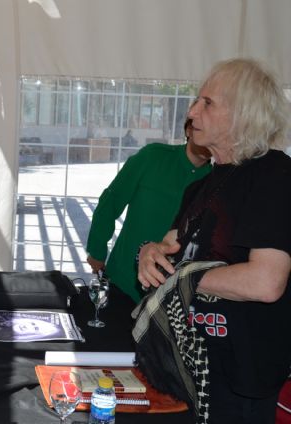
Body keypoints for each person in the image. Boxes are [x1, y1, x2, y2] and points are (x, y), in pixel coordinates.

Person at [138, 58, 291, 424]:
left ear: (242, 114)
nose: (192, 112)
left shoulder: (274, 175)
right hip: (189, 366)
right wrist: (147, 252)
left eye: (207, 103)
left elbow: (266, 282)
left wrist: (183, 277)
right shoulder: (199, 186)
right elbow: (168, 251)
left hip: (241, 378)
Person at [86, 119, 211, 302]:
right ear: (188, 130)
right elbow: (111, 201)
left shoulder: (216, 182)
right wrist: (97, 250)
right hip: (123, 281)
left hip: (171, 296)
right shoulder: (153, 157)